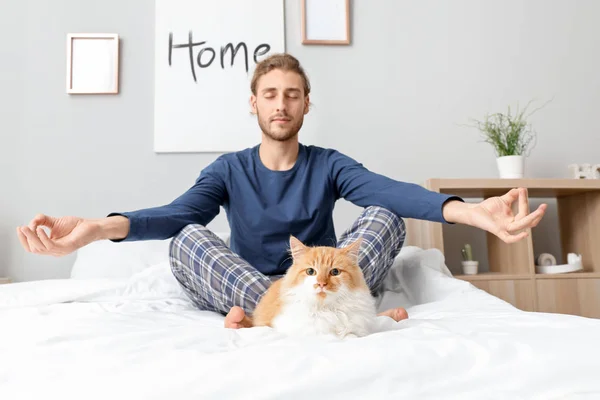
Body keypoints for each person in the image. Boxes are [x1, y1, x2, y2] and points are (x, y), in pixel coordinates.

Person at [17, 53, 546, 329]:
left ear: (306, 105)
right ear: (254, 103)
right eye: (270, 94)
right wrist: (95, 230)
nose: (281, 104)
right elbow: (175, 214)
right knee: (187, 238)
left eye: (292, 95)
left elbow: (387, 190)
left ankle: (280, 322)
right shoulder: (229, 169)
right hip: (257, 288)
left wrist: (470, 213)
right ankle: (280, 315)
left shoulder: (329, 164)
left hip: (320, 282)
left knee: (386, 217)